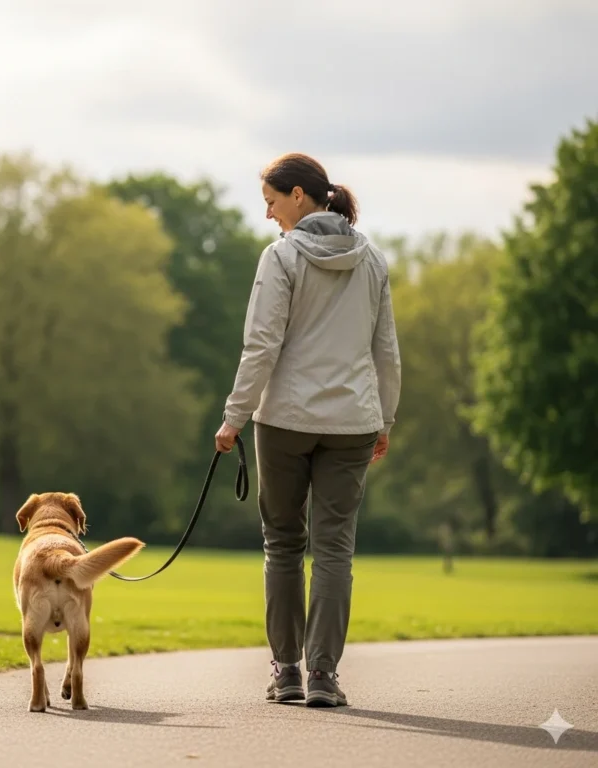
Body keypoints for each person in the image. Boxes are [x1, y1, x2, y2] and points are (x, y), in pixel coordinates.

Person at [215, 153, 401, 708]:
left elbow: (262, 345)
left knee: (283, 546)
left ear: (299, 196)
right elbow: (385, 351)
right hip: (352, 424)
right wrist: (384, 418)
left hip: (285, 422)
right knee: (335, 549)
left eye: (272, 202)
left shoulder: (282, 257)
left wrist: (233, 417)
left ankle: (286, 672)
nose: (269, 215)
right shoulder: (372, 260)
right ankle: (323, 675)